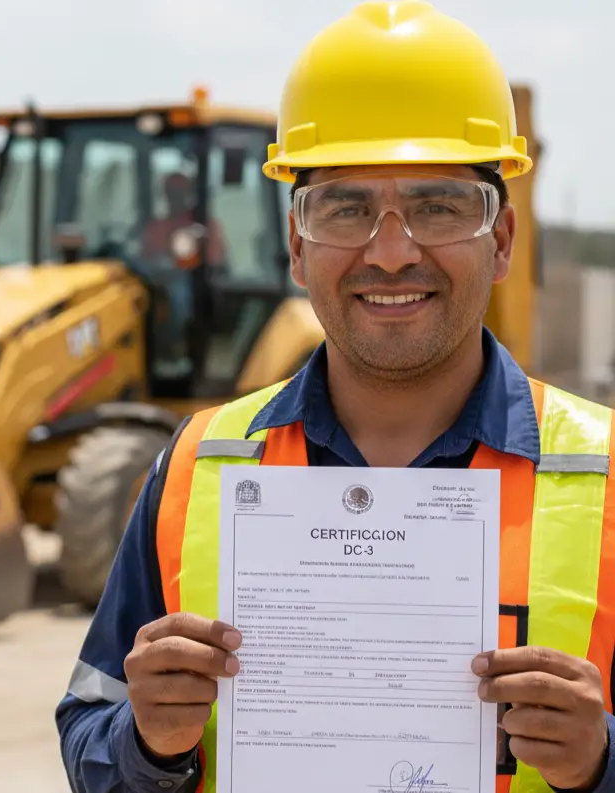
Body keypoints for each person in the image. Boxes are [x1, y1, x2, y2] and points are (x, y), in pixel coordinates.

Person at [55, 4, 615, 793]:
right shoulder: (197, 467)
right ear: (295, 245)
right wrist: (150, 742)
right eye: (346, 208)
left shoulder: (607, 474)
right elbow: (89, 723)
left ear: (502, 240)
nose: (391, 251)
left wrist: (600, 760)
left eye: (438, 205)